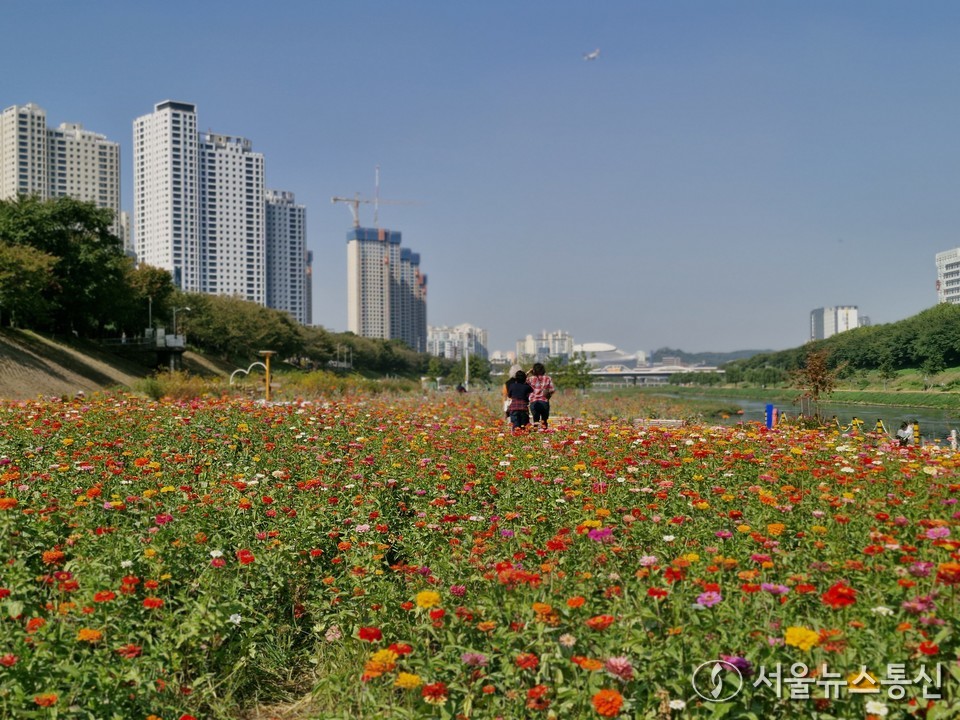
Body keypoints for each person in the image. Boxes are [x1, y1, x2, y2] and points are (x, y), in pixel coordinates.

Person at [526, 362, 555, 430]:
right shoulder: (548, 378)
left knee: (536, 421)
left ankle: (536, 436)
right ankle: (544, 435)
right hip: (544, 401)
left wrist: (528, 372)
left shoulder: (530, 379)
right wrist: (548, 394)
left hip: (534, 402)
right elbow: (552, 389)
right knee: (544, 422)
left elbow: (521, 378)